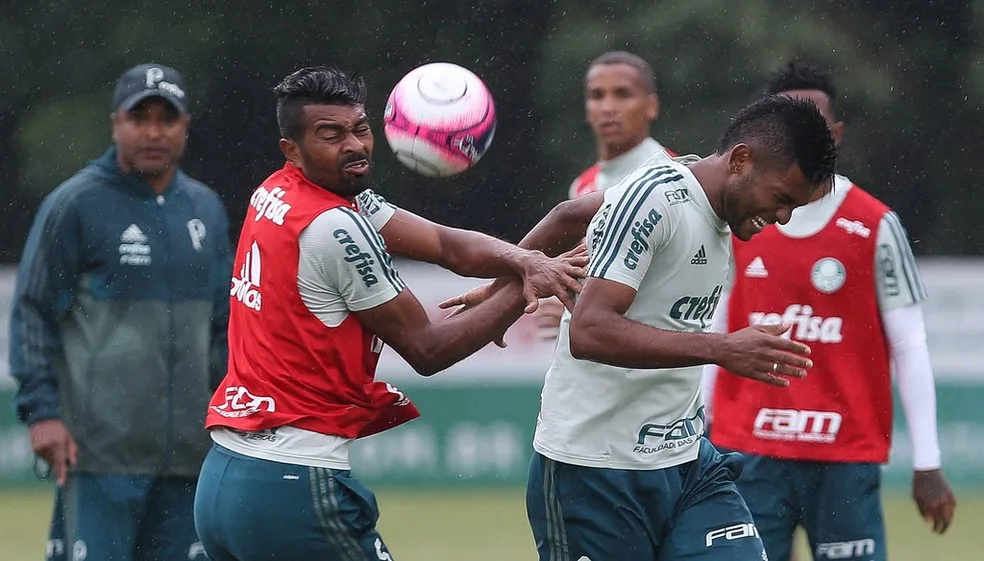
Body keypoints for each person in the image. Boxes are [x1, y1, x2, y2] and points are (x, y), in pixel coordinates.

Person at [191, 65, 588, 561]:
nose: (354, 145)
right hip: (292, 486)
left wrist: (525, 260)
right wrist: (524, 288)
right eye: (330, 135)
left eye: (360, 128)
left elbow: (445, 245)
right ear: (292, 149)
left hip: (226, 478)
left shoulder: (279, 192)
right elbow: (427, 349)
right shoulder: (335, 226)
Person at [442, 93, 839, 560]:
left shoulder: (704, 200)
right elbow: (589, 332)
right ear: (741, 160)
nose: (783, 217)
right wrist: (719, 348)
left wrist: (496, 291)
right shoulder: (657, 198)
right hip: (594, 469)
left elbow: (567, 215)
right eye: (781, 198)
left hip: (687, 462)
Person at [702, 60, 957, 561]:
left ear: (836, 133)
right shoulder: (738, 218)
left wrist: (927, 460)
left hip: (843, 457)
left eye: (816, 124)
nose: (805, 136)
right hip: (748, 451)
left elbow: (909, 344)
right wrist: (703, 425)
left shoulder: (875, 224)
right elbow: (715, 324)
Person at [9, 63, 232, 561]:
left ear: (185, 126)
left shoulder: (206, 210)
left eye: (167, 119)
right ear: (116, 124)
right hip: (100, 454)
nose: (154, 131)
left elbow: (224, 327)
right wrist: (42, 412)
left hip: (191, 457)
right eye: (140, 118)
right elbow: (32, 313)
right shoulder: (75, 204)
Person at [536, 51, 675, 338]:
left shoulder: (674, 176)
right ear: (587, 108)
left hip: (656, 345)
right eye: (597, 96)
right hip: (600, 347)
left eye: (623, 94)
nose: (608, 107)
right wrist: (567, 301)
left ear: (652, 106)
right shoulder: (583, 186)